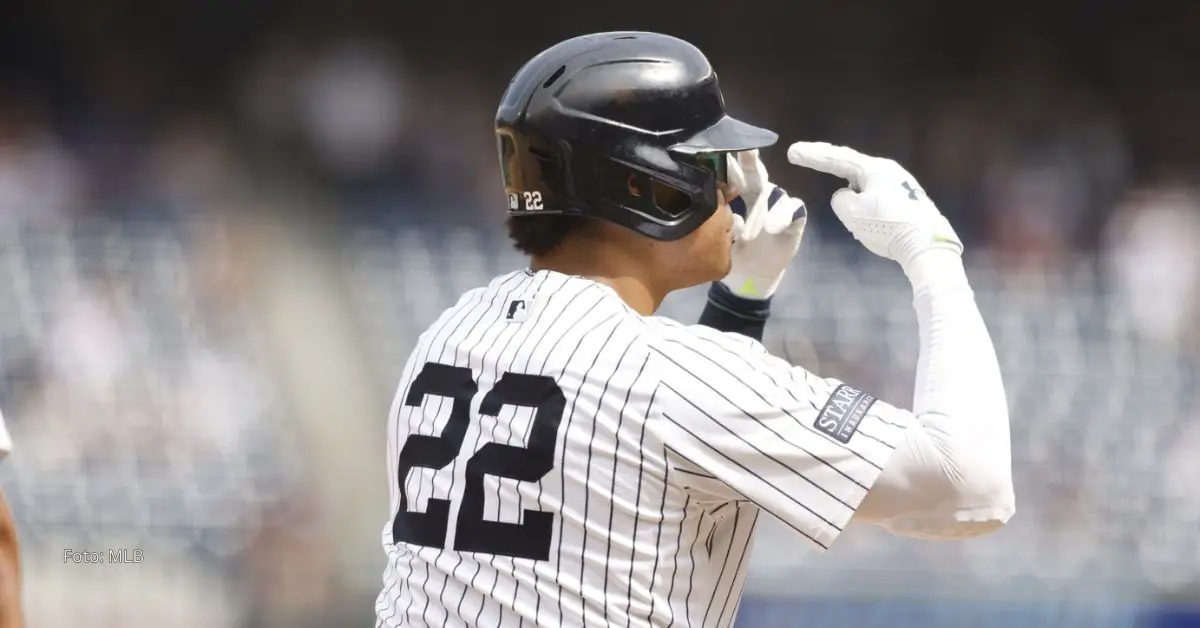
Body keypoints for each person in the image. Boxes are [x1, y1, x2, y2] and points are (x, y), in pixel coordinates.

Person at [375, 31, 1013, 628]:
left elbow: (663, 449)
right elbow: (972, 484)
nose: (734, 183)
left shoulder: (454, 332)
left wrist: (743, 299)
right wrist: (931, 251)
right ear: (643, 184)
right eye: (709, 161)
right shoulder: (668, 376)